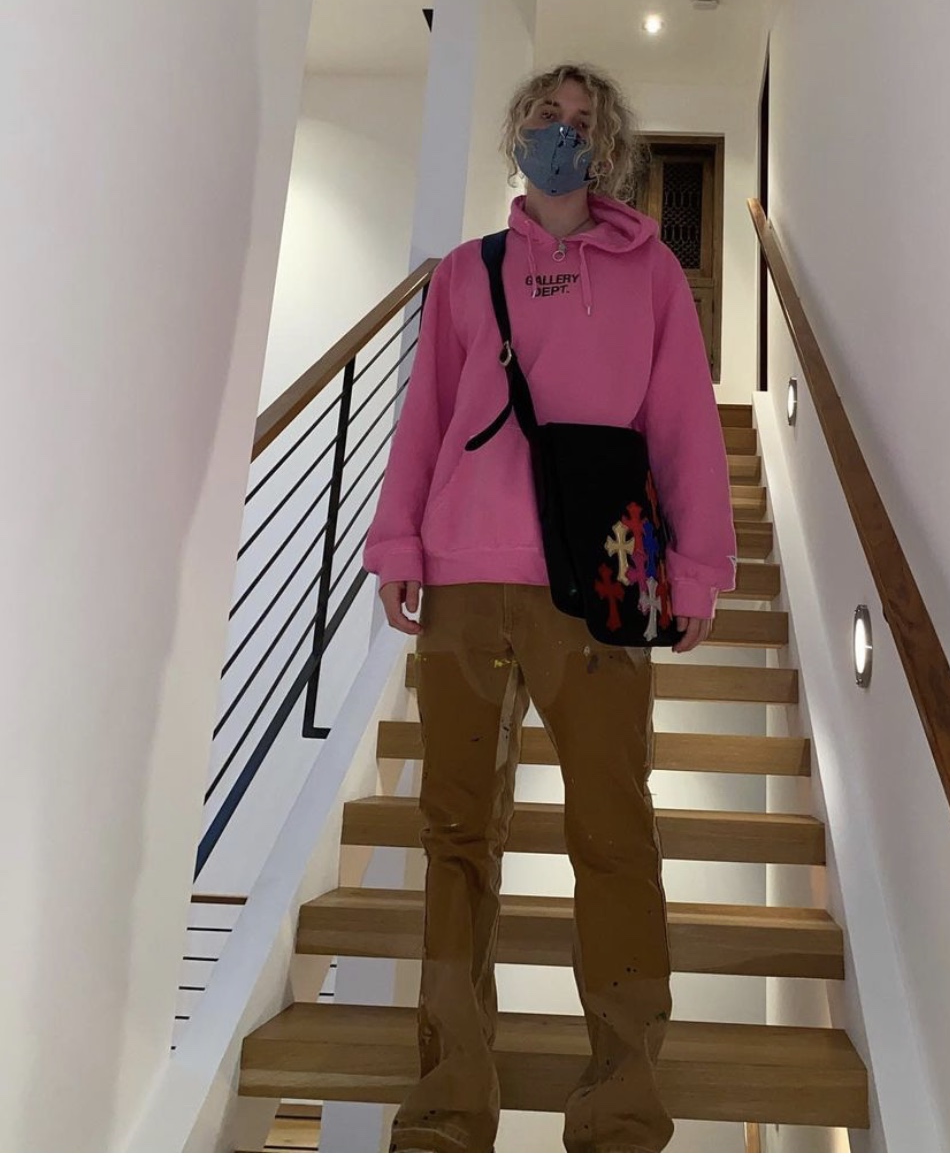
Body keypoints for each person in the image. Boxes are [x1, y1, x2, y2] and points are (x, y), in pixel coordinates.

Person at [363, 63, 737, 1154]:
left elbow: (682, 423)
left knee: (614, 833)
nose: (560, 134)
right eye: (544, 117)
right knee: (455, 835)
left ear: (607, 145)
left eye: (580, 122)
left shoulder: (651, 273)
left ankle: (623, 1096)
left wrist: (698, 569)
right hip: (464, 579)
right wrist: (399, 543)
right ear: (517, 133)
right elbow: (426, 414)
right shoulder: (466, 273)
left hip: (602, 583)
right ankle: (450, 1095)